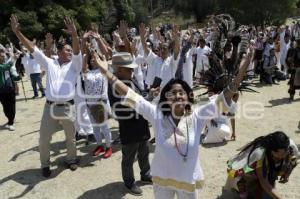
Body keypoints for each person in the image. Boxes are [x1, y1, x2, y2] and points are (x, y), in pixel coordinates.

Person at [91, 38, 254, 198]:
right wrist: (106, 72)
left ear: (188, 96)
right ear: (166, 98)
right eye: (172, 93)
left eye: (181, 92)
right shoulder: (157, 115)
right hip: (163, 181)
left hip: (187, 181)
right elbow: (131, 95)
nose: (177, 95)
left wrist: (241, 73)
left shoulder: (197, 116)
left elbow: (222, 98)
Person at [11, 14, 82, 177]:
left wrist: (74, 35)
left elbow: (78, 51)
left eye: (71, 50)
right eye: (67, 50)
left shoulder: (74, 65)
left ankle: (71, 159)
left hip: (67, 107)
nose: (70, 52)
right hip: (49, 108)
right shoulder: (50, 63)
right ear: (59, 51)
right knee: (43, 139)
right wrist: (17, 33)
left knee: (70, 138)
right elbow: (32, 49)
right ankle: (45, 164)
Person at [108, 52, 152, 196]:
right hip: (129, 127)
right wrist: (145, 100)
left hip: (141, 124)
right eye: (129, 69)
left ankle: (145, 174)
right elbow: (121, 108)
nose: (132, 71)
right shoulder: (114, 86)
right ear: (119, 69)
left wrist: (149, 94)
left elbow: (139, 95)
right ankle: (129, 182)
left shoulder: (130, 80)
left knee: (144, 152)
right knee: (129, 157)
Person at [225, 131, 299, 199]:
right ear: (270, 150)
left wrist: (287, 174)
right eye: (276, 155)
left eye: (283, 154)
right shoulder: (259, 154)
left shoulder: (291, 147)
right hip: (246, 171)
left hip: (265, 170)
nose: (280, 157)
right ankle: (243, 187)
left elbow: (293, 161)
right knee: (248, 194)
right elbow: (264, 182)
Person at [81, 35, 112, 158]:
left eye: (96, 58)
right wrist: (86, 50)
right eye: (92, 59)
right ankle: (99, 145)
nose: (94, 59)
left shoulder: (103, 70)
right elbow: (84, 64)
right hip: (89, 103)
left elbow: (106, 55)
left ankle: (108, 147)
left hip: (101, 103)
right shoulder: (87, 72)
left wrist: (95, 48)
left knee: (104, 127)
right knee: (95, 128)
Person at [0, 49, 21, 131]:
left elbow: (11, 75)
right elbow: (6, 67)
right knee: (6, 107)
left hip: (10, 88)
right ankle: (10, 118)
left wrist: (17, 77)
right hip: (1, 90)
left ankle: (10, 122)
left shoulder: (5, 64)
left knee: (12, 106)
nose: (3, 57)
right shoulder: (2, 66)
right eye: (2, 56)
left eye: (4, 56)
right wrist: (14, 58)